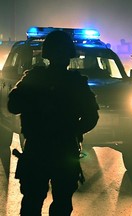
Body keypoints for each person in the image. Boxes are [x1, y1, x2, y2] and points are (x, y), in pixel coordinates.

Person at [8, 30, 99, 215]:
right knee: (61, 205)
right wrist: (73, 131)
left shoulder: (35, 77)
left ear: (46, 54)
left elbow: (13, 105)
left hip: (37, 149)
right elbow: (91, 117)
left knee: (32, 203)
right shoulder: (76, 82)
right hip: (64, 151)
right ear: (69, 56)